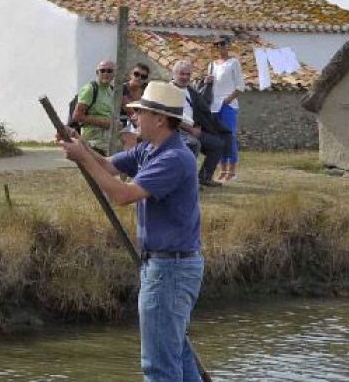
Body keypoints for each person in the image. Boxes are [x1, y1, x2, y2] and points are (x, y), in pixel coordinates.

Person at [57, 81, 204, 381]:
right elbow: (108, 166)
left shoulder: (174, 158)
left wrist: (83, 158)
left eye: (141, 113)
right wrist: (80, 144)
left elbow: (122, 195)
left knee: (159, 365)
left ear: (160, 120)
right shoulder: (149, 149)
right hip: (166, 266)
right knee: (177, 353)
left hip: (171, 269)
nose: (134, 118)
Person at [171, 61, 229, 188]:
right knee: (193, 144)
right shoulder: (169, 91)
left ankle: (204, 177)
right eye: (182, 74)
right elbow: (170, 116)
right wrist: (190, 129)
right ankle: (187, 182)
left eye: (188, 74)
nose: (185, 77)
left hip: (192, 128)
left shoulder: (190, 91)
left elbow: (203, 104)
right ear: (174, 74)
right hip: (175, 129)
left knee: (217, 144)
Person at [206, 38, 243, 183]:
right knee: (218, 138)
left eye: (222, 44)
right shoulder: (211, 65)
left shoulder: (233, 63)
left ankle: (231, 171)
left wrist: (228, 99)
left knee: (230, 137)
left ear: (228, 46)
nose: (220, 47)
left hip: (228, 105)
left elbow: (240, 86)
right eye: (216, 45)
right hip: (214, 106)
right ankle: (222, 170)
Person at [72, 59, 118, 154]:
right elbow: (77, 116)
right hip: (93, 141)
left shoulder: (111, 90)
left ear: (114, 74)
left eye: (109, 71)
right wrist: (104, 122)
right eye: (102, 71)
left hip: (108, 139)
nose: (106, 73)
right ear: (97, 73)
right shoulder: (90, 89)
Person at [120, 63, 151, 150]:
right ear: (131, 74)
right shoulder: (122, 88)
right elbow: (129, 110)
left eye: (143, 76)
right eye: (136, 74)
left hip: (139, 122)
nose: (139, 78)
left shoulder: (146, 91)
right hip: (124, 123)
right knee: (132, 141)